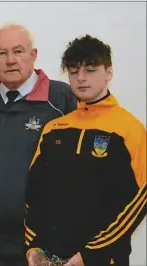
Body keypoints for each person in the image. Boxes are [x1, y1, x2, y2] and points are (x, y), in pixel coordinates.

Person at [25, 35, 146, 266]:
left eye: (90, 70)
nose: (81, 78)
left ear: (108, 73)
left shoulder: (130, 129)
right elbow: (34, 192)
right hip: (50, 257)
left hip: (103, 260)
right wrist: (33, 246)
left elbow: (138, 202)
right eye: (73, 71)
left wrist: (90, 255)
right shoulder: (55, 128)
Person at [0, 23, 77, 266]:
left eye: (18, 51)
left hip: (43, 238)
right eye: (2, 53)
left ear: (33, 55)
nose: (10, 60)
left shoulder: (62, 99)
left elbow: (81, 170)